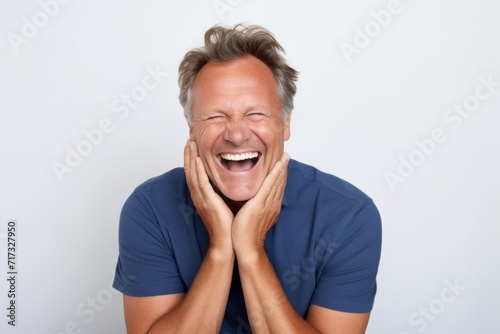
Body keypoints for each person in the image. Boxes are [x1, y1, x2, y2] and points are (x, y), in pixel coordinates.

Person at [113, 23, 382, 334]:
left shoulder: (349, 216)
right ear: (190, 130)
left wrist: (251, 250)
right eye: (215, 116)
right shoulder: (150, 209)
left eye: (255, 114)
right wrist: (220, 247)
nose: (237, 134)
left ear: (286, 124)